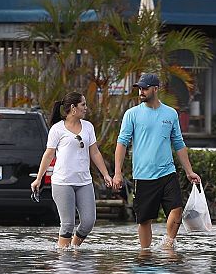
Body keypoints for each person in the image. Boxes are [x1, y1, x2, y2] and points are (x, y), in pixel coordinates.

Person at [112, 73, 201, 249]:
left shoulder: (171, 113)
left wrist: (189, 171)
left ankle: (168, 244)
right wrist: (117, 173)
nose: (141, 92)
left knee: (177, 209)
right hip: (143, 175)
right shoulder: (132, 114)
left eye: (145, 88)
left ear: (155, 89)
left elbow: (179, 143)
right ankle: (145, 254)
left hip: (167, 173)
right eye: (140, 88)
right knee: (145, 220)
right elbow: (122, 143)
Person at [31, 92, 113, 249]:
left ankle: (74, 249)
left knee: (88, 222)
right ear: (73, 108)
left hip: (84, 182)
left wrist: (106, 175)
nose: (86, 108)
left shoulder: (88, 127)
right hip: (63, 182)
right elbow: (49, 155)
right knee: (67, 224)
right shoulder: (57, 129)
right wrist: (39, 178)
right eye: (83, 104)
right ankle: (64, 262)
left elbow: (94, 152)